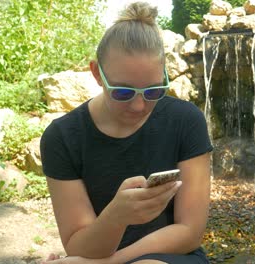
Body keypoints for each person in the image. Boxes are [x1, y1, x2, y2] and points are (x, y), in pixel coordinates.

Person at [39, 2, 213, 263]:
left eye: (154, 91)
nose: (139, 106)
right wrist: (116, 216)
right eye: (123, 92)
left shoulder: (186, 120)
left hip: (172, 256)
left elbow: (189, 232)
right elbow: (80, 247)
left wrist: (111, 263)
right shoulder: (62, 138)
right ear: (97, 73)